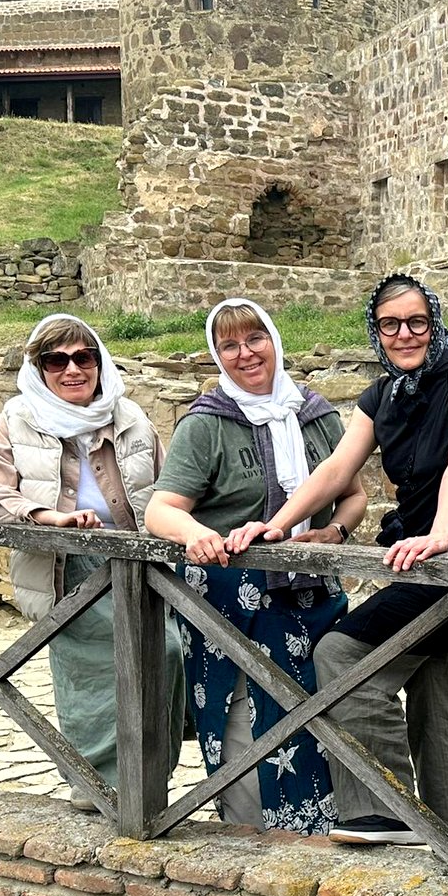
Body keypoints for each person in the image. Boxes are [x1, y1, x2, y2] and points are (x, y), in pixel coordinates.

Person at [228, 274, 448, 845]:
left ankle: (397, 813)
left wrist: (444, 537)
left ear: (435, 320)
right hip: (414, 555)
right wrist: (276, 527)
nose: (405, 335)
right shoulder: (381, 395)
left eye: (417, 321)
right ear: (375, 332)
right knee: (438, 688)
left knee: (344, 656)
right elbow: (336, 472)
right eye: (390, 325)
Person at [145, 298, 366, 834]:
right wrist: (198, 535)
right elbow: (160, 509)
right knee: (247, 719)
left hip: (313, 601)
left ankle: (321, 843)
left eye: (255, 339)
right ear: (217, 356)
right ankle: (251, 843)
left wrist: (335, 531)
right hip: (234, 610)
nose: (246, 353)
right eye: (229, 345)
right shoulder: (208, 424)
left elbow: (353, 495)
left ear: (274, 340)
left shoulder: (316, 415)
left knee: (320, 715)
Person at [0, 314, 184, 809]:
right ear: (39, 368)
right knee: (88, 677)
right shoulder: (16, 419)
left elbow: (166, 487)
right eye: (56, 360)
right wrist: (48, 517)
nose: (72, 369)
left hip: (138, 566)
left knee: (166, 654)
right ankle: (94, 783)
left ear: (99, 362)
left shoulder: (129, 416)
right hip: (65, 570)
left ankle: (148, 776)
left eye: (83, 357)